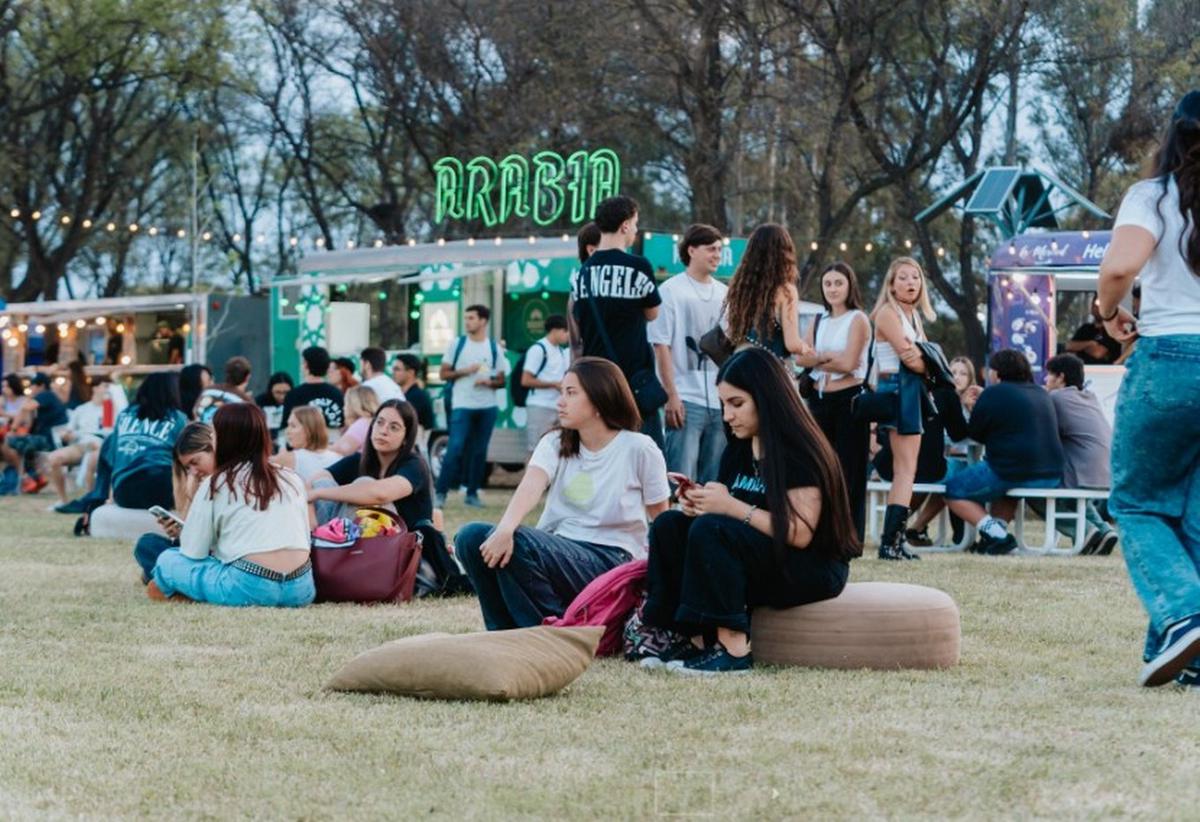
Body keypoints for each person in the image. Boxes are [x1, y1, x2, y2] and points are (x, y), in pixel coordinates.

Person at [641, 347, 858, 674]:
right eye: (724, 404)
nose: (727, 415)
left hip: (811, 566)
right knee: (670, 524)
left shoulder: (801, 452)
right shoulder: (739, 449)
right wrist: (699, 503)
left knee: (712, 530)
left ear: (766, 398)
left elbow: (800, 534)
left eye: (737, 404)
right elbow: (729, 515)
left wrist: (728, 506)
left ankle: (733, 650)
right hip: (759, 557)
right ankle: (682, 638)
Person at [1096, 90, 1200, 687]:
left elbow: (1118, 268)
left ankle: (1185, 615)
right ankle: (1188, 654)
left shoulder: (1153, 196)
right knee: (1194, 516)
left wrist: (1108, 310)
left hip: (1170, 358)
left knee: (1135, 504)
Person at [454, 357, 671, 630]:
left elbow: (662, 520)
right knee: (470, 537)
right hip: (558, 549)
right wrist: (505, 529)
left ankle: (553, 632)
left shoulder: (639, 448)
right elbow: (531, 484)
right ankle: (503, 632)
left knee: (518, 541)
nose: (560, 402)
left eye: (571, 393)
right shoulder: (556, 441)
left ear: (599, 398)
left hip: (612, 559)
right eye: (561, 392)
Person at [147, 404, 314, 607]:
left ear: (227, 439)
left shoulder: (217, 482)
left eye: (214, 435)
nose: (211, 441)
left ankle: (179, 592)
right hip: (301, 589)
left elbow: (193, 552)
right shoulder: (291, 477)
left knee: (167, 560)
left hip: (249, 586)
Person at [946, 349, 1064, 555]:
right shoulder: (1041, 392)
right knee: (1005, 491)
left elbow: (975, 434)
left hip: (1011, 469)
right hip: (1051, 473)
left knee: (953, 491)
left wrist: (971, 406)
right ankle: (994, 535)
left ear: (997, 372)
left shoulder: (993, 393)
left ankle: (998, 537)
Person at [570, 196, 665, 446]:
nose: (635, 230)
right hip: (633, 380)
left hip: (596, 381)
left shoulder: (582, 274)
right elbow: (653, 314)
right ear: (624, 225)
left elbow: (578, 326)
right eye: (634, 224)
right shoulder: (638, 266)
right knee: (648, 456)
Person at [796, 261, 871, 540]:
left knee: (849, 468)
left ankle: (850, 534)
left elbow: (849, 362)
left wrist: (818, 359)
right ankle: (823, 528)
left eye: (838, 283)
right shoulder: (818, 319)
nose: (832, 289)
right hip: (819, 400)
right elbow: (800, 357)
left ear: (849, 285)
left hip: (848, 399)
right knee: (819, 464)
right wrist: (825, 359)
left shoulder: (858, 319)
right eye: (828, 284)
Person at [650, 224, 728, 485]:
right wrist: (672, 395)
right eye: (711, 249)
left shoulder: (725, 294)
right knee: (681, 481)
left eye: (719, 249)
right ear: (691, 250)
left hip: (720, 401)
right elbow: (661, 345)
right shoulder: (670, 290)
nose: (717, 255)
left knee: (714, 482)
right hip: (685, 398)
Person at [870, 256, 936, 560]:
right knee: (904, 470)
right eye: (903, 278)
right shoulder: (887, 313)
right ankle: (890, 542)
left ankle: (895, 539)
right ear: (892, 285)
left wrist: (928, 365)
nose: (911, 283)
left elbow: (918, 358)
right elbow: (908, 357)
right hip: (897, 388)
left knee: (907, 470)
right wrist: (933, 365)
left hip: (910, 389)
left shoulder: (913, 316)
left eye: (915, 277)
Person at [1032, 353, 1117, 554]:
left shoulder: (1056, 398)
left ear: (1060, 377)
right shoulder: (1089, 396)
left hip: (1083, 472)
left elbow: (1042, 435)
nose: (1045, 380)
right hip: (1105, 472)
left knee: (1035, 492)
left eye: (1049, 375)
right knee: (1072, 496)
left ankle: (1084, 531)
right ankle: (1104, 530)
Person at [308, 399, 434, 531]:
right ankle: (325, 541)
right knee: (322, 482)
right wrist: (310, 506)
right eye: (379, 423)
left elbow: (380, 494)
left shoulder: (415, 465)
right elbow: (311, 483)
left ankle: (332, 542)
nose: (383, 431)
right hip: (356, 539)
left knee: (364, 483)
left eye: (394, 427)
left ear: (406, 438)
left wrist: (319, 494)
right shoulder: (359, 460)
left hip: (404, 544)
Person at [435, 305, 509, 508]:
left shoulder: (494, 348)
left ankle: (472, 492)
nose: (467, 322)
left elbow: (502, 380)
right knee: (455, 447)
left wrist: (489, 382)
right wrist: (465, 371)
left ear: (483, 321)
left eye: (471, 318)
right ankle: (440, 493)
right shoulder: (457, 344)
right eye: (466, 318)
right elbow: (443, 374)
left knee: (479, 450)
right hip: (462, 404)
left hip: (487, 406)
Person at [90, 372, 188, 510]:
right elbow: (186, 458)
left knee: (108, 443)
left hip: (124, 493)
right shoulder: (178, 418)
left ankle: (98, 499)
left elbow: (110, 456)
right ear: (172, 391)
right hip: (163, 488)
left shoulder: (124, 415)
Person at [133, 421, 215, 583]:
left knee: (152, 549)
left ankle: (163, 576)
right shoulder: (199, 484)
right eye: (187, 468)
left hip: (218, 560)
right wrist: (180, 534)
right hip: (202, 556)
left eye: (195, 462)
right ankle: (166, 575)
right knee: (148, 543)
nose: (193, 472)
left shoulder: (228, 482)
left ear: (212, 448)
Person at [0, 372, 69, 493]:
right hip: (47, 438)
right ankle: (34, 478)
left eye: (32, 386)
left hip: (48, 440)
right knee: (11, 447)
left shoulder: (45, 395)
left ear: (41, 386)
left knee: (7, 443)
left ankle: (27, 478)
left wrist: (13, 429)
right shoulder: (49, 396)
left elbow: (25, 408)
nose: (31, 389)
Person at [45, 381, 110, 505]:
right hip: (82, 444)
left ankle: (90, 501)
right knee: (54, 458)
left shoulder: (112, 409)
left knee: (95, 446)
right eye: (105, 386)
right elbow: (68, 432)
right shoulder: (82, 409)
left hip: (103, 446)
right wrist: (66, 435)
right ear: (95, 388)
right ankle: (63, 500)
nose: (108, 390)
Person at [521, 314, 572, 454]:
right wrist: (554, 384)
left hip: (558, 407)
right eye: (565, 331)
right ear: (555, 330)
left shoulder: (561, 351)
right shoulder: (538, 349)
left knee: (555, 451)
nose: (568, 336)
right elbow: (525, 380)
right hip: (540, 407)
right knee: (536, 451)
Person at [281, 346, 345, 434]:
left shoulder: (294, 395)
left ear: (306, 365)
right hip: (334, 444)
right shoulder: (337, 393)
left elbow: (286, 427)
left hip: (305, 444)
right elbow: (343, 424)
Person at [270, 406, 342, 481]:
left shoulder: (288, 457)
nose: (287, 431)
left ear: (309, 430)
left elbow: (260, 465)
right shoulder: (338, 458)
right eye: (288, 425)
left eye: (293, 426)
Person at [568, 221, 602, 361]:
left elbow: (575, 344)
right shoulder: (578, 285)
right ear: (591, 250)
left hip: (589, 368)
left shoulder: (576, 284)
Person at [193, 356, 253, 422]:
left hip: (200, 430)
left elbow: (195, 411)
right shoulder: (247, 403)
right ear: (247, 377)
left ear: (227, 373)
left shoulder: (208, 391)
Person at [330, 385, 380, 457]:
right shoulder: (374, 421)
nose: (343, 408)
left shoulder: (362, 424)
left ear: (353, 405)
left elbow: (339, 450)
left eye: (346, 403)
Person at [392, 354, 434, 434]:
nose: (393, 373)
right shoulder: (403, 394)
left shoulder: (417, 397)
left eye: (397, 369)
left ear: (411, 373)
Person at [256, 371, 295, 444]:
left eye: (286, 392)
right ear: (271, 391)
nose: (282, 397)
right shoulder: (260, 402)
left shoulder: (295, 402)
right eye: (278, 392)